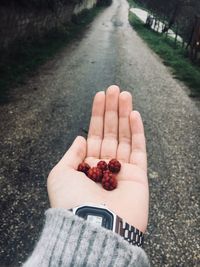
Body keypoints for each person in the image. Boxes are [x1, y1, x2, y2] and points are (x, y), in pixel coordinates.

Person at [23, 85, 150, 266]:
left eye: (106, 173)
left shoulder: (102, 171)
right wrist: (125, 235)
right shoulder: (99, 171)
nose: (106, 172)